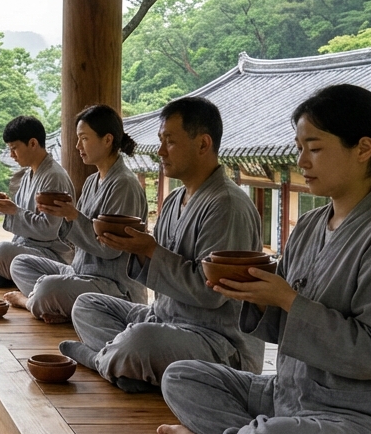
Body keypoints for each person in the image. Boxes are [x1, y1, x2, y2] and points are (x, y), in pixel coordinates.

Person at [159, 84, 371, 434]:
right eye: (298, 147)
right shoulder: (310, 226)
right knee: (182, 377)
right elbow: (278, 320)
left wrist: (290, 300)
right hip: (294, 400)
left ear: (363, 148)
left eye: (314, 148)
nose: (301, 162)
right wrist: (249, 294)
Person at [60, 97, 263, 393]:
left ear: (203, 144)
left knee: (140, 340)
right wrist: (137, 247)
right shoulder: (172, 201)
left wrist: (149, 250)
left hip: (215, 340)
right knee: (88, 306)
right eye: (160, 140)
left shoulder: (227, 205)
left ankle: (100, 360)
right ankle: (129, 367)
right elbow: (158, 266)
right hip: (163, 318)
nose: (160, 151)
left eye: (169, 141)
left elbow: (211, 295)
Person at [5, 105, 148, 323]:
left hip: (114, 286)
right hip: (80, 272)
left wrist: (72, 216)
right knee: (21, 263)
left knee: (47, 287)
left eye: (84, 138)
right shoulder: (92, 181)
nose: (77, 146)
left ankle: (29, 302)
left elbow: (110, 250)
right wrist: (61, 214)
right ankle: (61, 308)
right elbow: (74, 232)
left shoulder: (124, 185)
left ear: (107, 140)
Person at [0, 115, 76, 287]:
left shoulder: (54, 177)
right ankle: (1, 271)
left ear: (32, 143)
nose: (11, 155)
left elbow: (49, 231)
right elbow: (20, 213)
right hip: (25, 249)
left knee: (3, 252)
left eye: (14, 148)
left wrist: (14, 211)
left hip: (50, 255)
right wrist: (2, 207)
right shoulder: (28, 175)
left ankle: (2, 271)